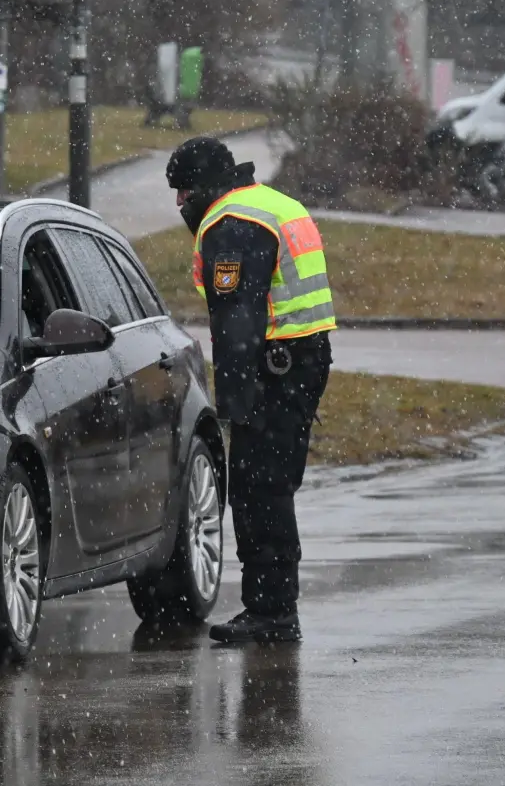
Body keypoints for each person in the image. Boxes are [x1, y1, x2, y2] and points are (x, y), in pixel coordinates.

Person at [166, 136, 336, 644]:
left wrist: (235, 406)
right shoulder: (270, 202)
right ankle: (275, 608)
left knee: (257, 489)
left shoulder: (230, 223)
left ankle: (272, 613)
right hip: (301, 361)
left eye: (183, 191)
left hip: (273, 370)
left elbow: (237, 323)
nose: (179, 203)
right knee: (272, 485)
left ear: (207, 187)